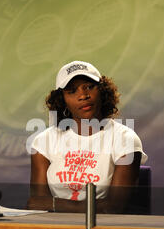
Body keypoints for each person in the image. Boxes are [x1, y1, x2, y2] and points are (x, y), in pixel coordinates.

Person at [27, 60, 147, 213]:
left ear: (102, 91)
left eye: (89, 87)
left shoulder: (126, 139)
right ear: (61, 100)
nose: (83, 95)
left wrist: (55, 204)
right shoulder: (43, 141)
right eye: (72, 91)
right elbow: (37, 205)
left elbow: (114, 207)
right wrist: (92, 206)